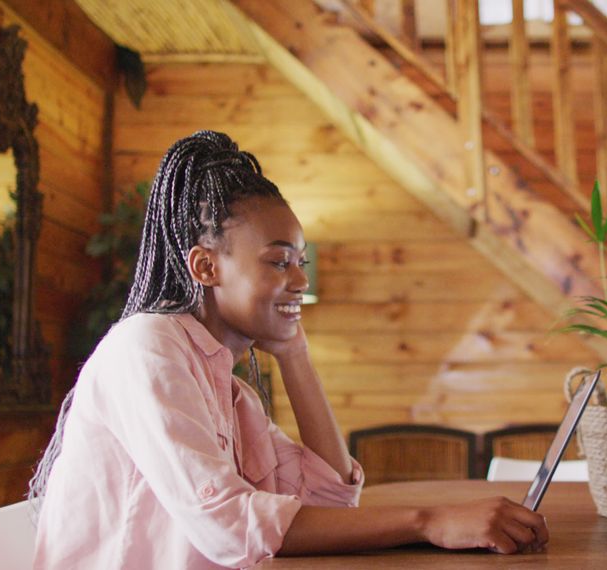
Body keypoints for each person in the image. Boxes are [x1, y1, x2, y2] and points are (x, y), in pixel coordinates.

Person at [29, 131, 549, 569]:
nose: (300, 278)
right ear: (207, 267)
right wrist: (429, 520)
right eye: (279, 262)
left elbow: (330, 499)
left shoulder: (229, 391)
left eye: (300, 260)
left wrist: (294, 353)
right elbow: (229, 525)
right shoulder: (146, 347)